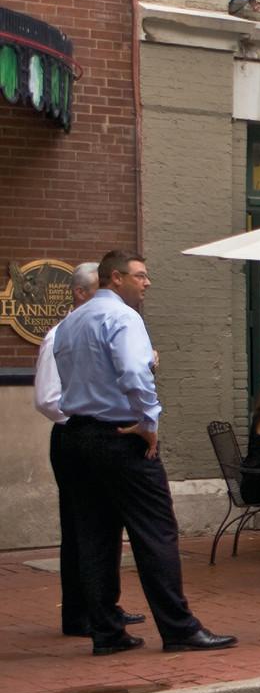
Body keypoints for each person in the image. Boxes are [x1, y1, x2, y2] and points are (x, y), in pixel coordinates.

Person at [52, 250, 236, 655]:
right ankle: (179, 628)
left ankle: (106, 631)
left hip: (76, 436)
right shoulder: (122, 317)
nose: (147, 283)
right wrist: (149, 424)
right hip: (120, 435)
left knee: (94, 536)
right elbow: (135, 372)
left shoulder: (69, 323)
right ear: (115, 279)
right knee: (156, 532)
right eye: (141, 276)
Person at [34, 263, 144, 637]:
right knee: (82, 527)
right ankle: (79, 614)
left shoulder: (97, 329)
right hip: (76, 436)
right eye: (99, 289)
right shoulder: (60, 335)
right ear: (81, 293)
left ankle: (103, 609)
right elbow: (49, 399)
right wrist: (89, 419)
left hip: (96, 433)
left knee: (104, 526)